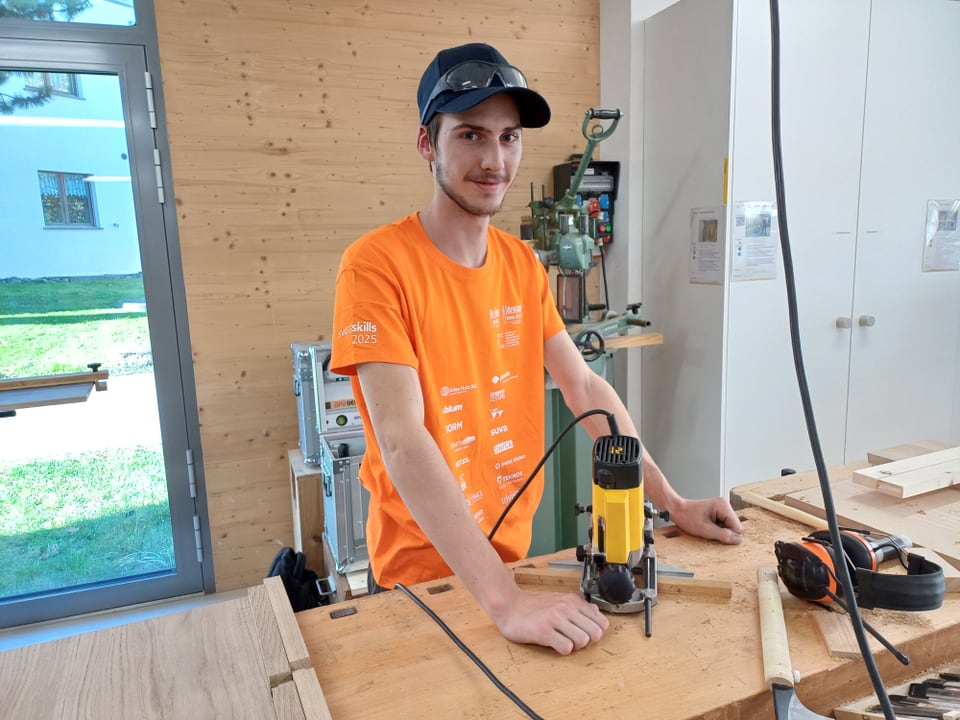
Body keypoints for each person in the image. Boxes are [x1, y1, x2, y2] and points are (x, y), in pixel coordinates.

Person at [330, 42, 743, 655]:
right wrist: (504, 602)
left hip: (512, 566)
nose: (494, 159)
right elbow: (401, 440)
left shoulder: (521, 264)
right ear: (427, 143)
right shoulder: (375, 266)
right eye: (470, 135)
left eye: (509, 137)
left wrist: (671, 502)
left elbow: (585, 389)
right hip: (427, 584)